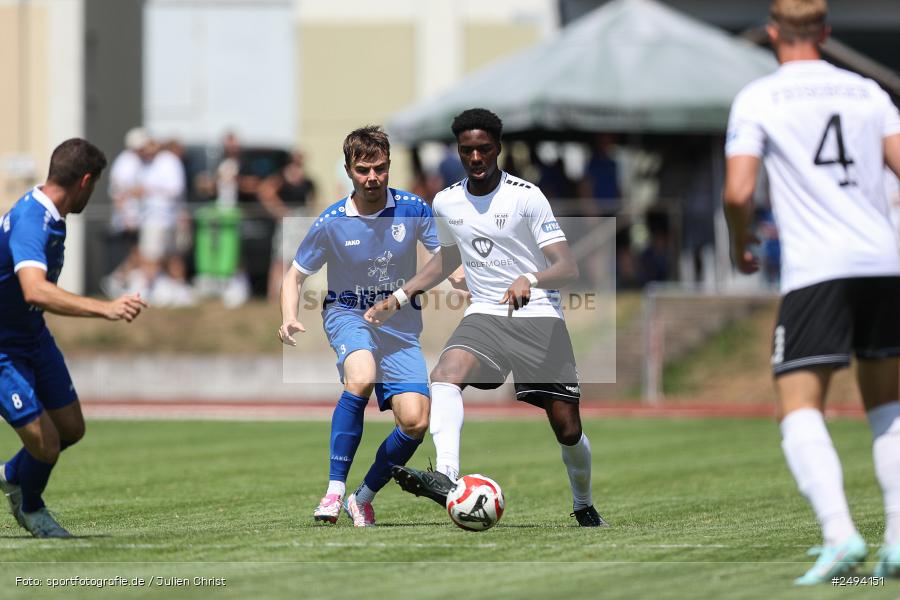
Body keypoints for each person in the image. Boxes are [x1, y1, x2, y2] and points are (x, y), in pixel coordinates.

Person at [724, 0, 900, 584]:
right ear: (825, 31)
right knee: (889, 407)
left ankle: (840, 534)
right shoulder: (868, 91)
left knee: (799, 406)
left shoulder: (759, 97)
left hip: (817, 270)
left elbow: (738, 191)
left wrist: (739, 245)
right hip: (883, 264)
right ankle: (897, 541)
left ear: (774, 31)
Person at [365, 108, 607, 527]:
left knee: (567, 429)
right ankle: (446, 476)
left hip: (538, 318)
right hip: (486, 314)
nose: (475, 158)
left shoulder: (526, 196)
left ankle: (583, 503)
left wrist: (529, 277)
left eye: (483, 149)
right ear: (458, 151)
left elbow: (568, 266)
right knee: (444, 373)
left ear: (497, 148)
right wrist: (399, 298)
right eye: (467, 150)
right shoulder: (446, 200)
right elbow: (446, 261)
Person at [278, 126, 438, 527]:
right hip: (348, 314)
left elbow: (446, 257)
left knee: (417, 421)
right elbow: (294, 275)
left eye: (380, 168)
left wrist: (454, 278)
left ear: (389, 166)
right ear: (348, 170)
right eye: (363, 169)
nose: (373, 178)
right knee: (362, 375)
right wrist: (289, 316)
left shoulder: (414, 208)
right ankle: (333, 491)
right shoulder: (332, 221)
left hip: (400, 325)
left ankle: (361, 497)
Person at [0, 139, 147, 538]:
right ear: (85, 181)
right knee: (45, 445)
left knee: (72, 429)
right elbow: (34, 289)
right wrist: (106, 308)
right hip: (3, 349)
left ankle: (11, 475)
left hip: (32, 337)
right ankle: (31, 507)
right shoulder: (33, 219)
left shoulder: (50, 215)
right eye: (95, 185)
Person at [258, 150, 317, 302]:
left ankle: (296, 294)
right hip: (289, 221)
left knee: (300, 259)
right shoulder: (281, 177)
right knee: (281, 258)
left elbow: (313, 199)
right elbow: (265, 191)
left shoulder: (306, 180)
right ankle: (273, 294)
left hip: (302, 222)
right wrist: (279, 210)